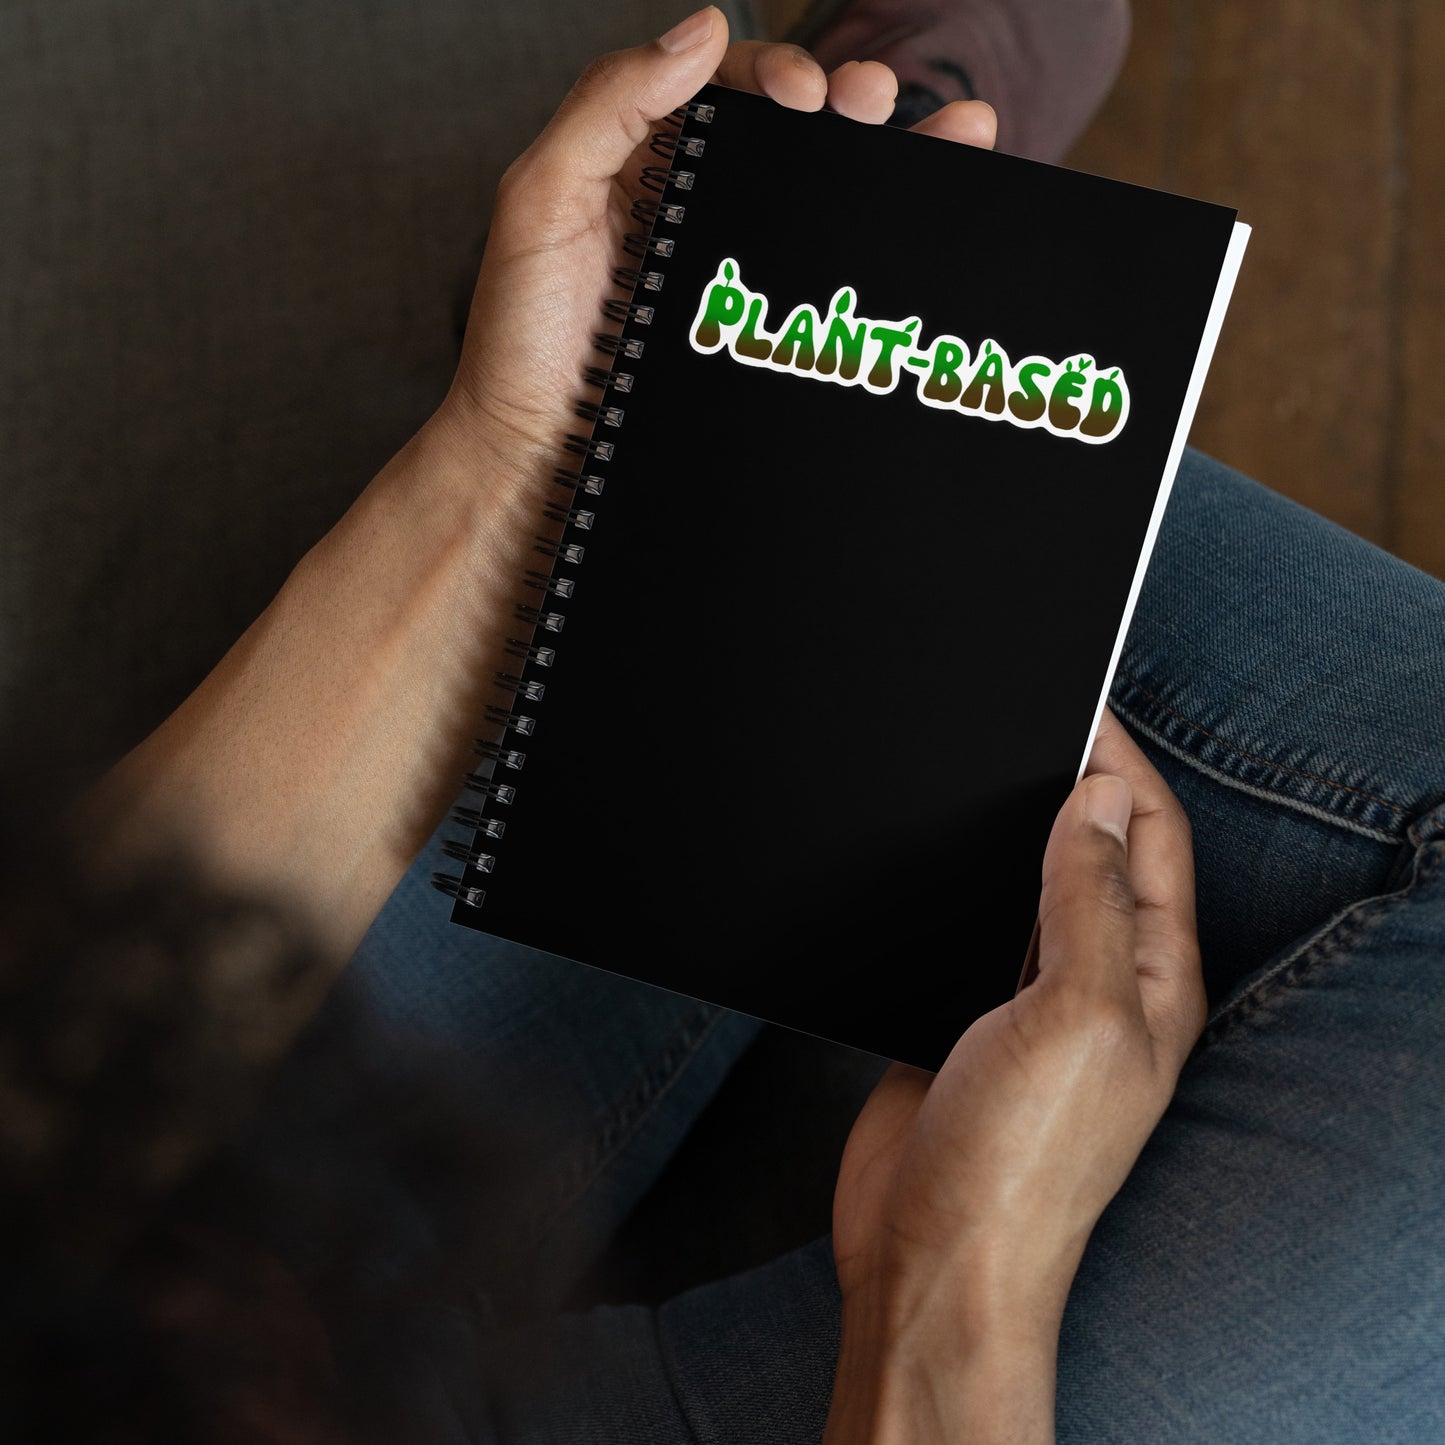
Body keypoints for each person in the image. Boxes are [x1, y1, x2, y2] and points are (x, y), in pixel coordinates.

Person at [4, 7, 1442, 1442]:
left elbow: (48, 1075)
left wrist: (507, 462)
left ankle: (778, 285)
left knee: (703, 506)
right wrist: (949, 1294)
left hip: (140, 1279)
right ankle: (845, 262)